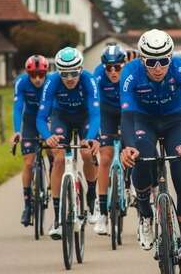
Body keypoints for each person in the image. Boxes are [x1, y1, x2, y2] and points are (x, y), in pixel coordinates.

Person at [119, 29, 181, 274]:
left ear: (170, 57)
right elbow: (127, 117)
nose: (158, 67)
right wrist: (128, 146)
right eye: (151, 61)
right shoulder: (130, 73)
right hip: (143, 120)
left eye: (163, 60)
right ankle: (145, 212)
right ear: (142, 59)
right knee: (141, 160)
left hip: (175, 120)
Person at [36, 47, 100, 240]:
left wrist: (91, 137)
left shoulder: (89, 80)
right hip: (61, 117)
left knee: (87, 153)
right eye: (65, 73)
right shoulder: (52, 81)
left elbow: (96, 114)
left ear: (80, 69)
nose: (70, 78)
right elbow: (40, 117)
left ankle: (91, 195)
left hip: (85, 118)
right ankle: (57, 218)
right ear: (58, 72)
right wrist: (48, 136)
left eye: (74, 72)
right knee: (59, 159)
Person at [92, 44, 127, 236]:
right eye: (109, 68)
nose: (113, 72)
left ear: (124, 64)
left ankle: (130, 184)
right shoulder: (98, 75)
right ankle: (103, 212)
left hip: (126, 112)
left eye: (117, 67)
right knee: (105, 158)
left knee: (132, 151)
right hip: (106, 114)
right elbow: (94, 105)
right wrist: (96, 135)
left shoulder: (129, 74)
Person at [11, 55, 48, 226]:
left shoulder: (51, 83)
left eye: (41, 74)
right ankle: (27, 205)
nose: (38, 79)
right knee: (28, 163)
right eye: (33, 75)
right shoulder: (21, 82)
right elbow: (18, 108)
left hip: (48, 118)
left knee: (54, 153)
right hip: (30, 121)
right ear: (28, 74)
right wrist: (17, 131)